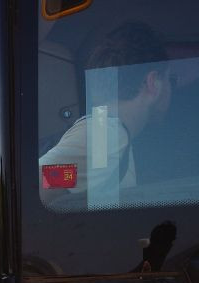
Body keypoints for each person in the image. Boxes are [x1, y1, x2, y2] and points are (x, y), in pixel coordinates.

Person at [39, 21, 171, 206]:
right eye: (170, 78)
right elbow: (39, 182)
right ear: (152, 82)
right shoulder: (106, 134)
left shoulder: (110, 133)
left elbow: (62, 177)